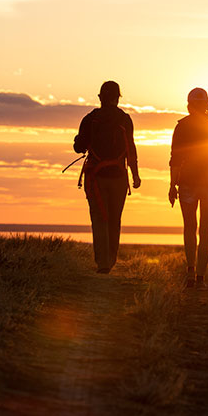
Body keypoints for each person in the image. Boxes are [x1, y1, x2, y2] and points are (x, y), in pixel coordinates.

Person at [73, 81, 141, 274]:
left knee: (99, 218)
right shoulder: (125, 119)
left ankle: (102, 263)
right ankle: (110, 260)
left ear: (101, 97)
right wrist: (135, 175)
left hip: (96, 178)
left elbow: (79, 148)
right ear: (117, 98)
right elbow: (131, 149)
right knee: (114, 219)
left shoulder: (90, 119)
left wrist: (78, 141)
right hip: (119, 177)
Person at [169, 88, 208, 290]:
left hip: (187, 183)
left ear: (189, 105)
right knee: (206, 231)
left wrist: (172, 185)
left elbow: (175, 160)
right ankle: (200, 277)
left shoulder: (182, 126)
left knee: (190, 227)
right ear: (207, 104)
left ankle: (190, 273)